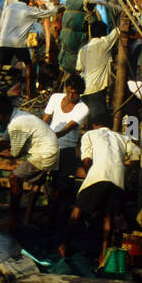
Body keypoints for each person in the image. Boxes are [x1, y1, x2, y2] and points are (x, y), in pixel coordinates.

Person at [59, 114, 140, 265]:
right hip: (118, 177)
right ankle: (103, 255)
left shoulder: (89, 134)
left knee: (77, 210)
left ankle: (63, 245)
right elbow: (136, 154)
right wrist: (126, 170)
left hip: (97, 174)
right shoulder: (121, 137)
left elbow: (86, 159)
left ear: (94, 124)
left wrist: (91, 175)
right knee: (108, 216)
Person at [0, 94, 59, 229]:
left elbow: (15, 153)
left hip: (45, 154)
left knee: (14, 178)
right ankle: (18, 219)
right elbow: (5, 142)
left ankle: (12, 220)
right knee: (19, 178)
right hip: (48, 150)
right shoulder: (17, 115)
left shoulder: (16, 124)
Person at [0, 0, 62, 103]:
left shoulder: (8, 9)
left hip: (4, 42)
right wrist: (55, 7)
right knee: (28, 65)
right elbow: (50, 13)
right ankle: (29, 93)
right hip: (19, 44)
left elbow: (1, 26)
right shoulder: (29, 10)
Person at [43, 73, 89, 213]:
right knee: (43, 181)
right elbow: (45, 120)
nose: (70, 96)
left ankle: (53, 213)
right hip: (49, 145)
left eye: (74, 93)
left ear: (80, 93)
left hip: (66, 149)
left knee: (61, 186)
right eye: (68, 92)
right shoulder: (55, 98)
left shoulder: (83, 109)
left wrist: (48, 136)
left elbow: (66, 129)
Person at [76, 19, 119, 121]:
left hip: (84, 90)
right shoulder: (104, 43)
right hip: (96, 91)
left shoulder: (83, 49)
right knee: (97, 122)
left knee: (89, 121)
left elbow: (78, 69)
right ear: (103, 33)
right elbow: (118, 30)